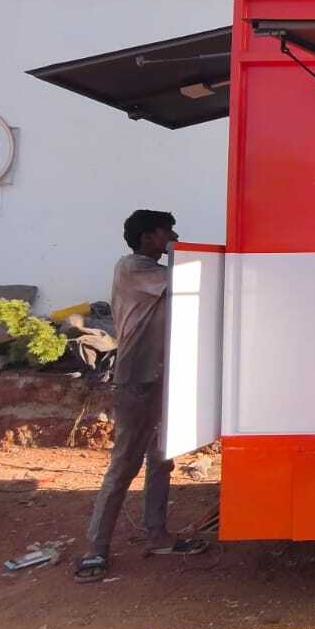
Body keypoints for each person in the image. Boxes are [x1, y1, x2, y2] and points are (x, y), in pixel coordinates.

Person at [74, 209, 205, 582]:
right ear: (148, 237)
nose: (173, 237)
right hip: (137, 378)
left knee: (161, 458)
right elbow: (189, 277)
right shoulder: (135, 268)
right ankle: (95, 549)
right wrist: (188, 251)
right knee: (124, 464)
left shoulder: (149, 270)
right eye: (167, 232)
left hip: (161, 375)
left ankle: (157, 535)